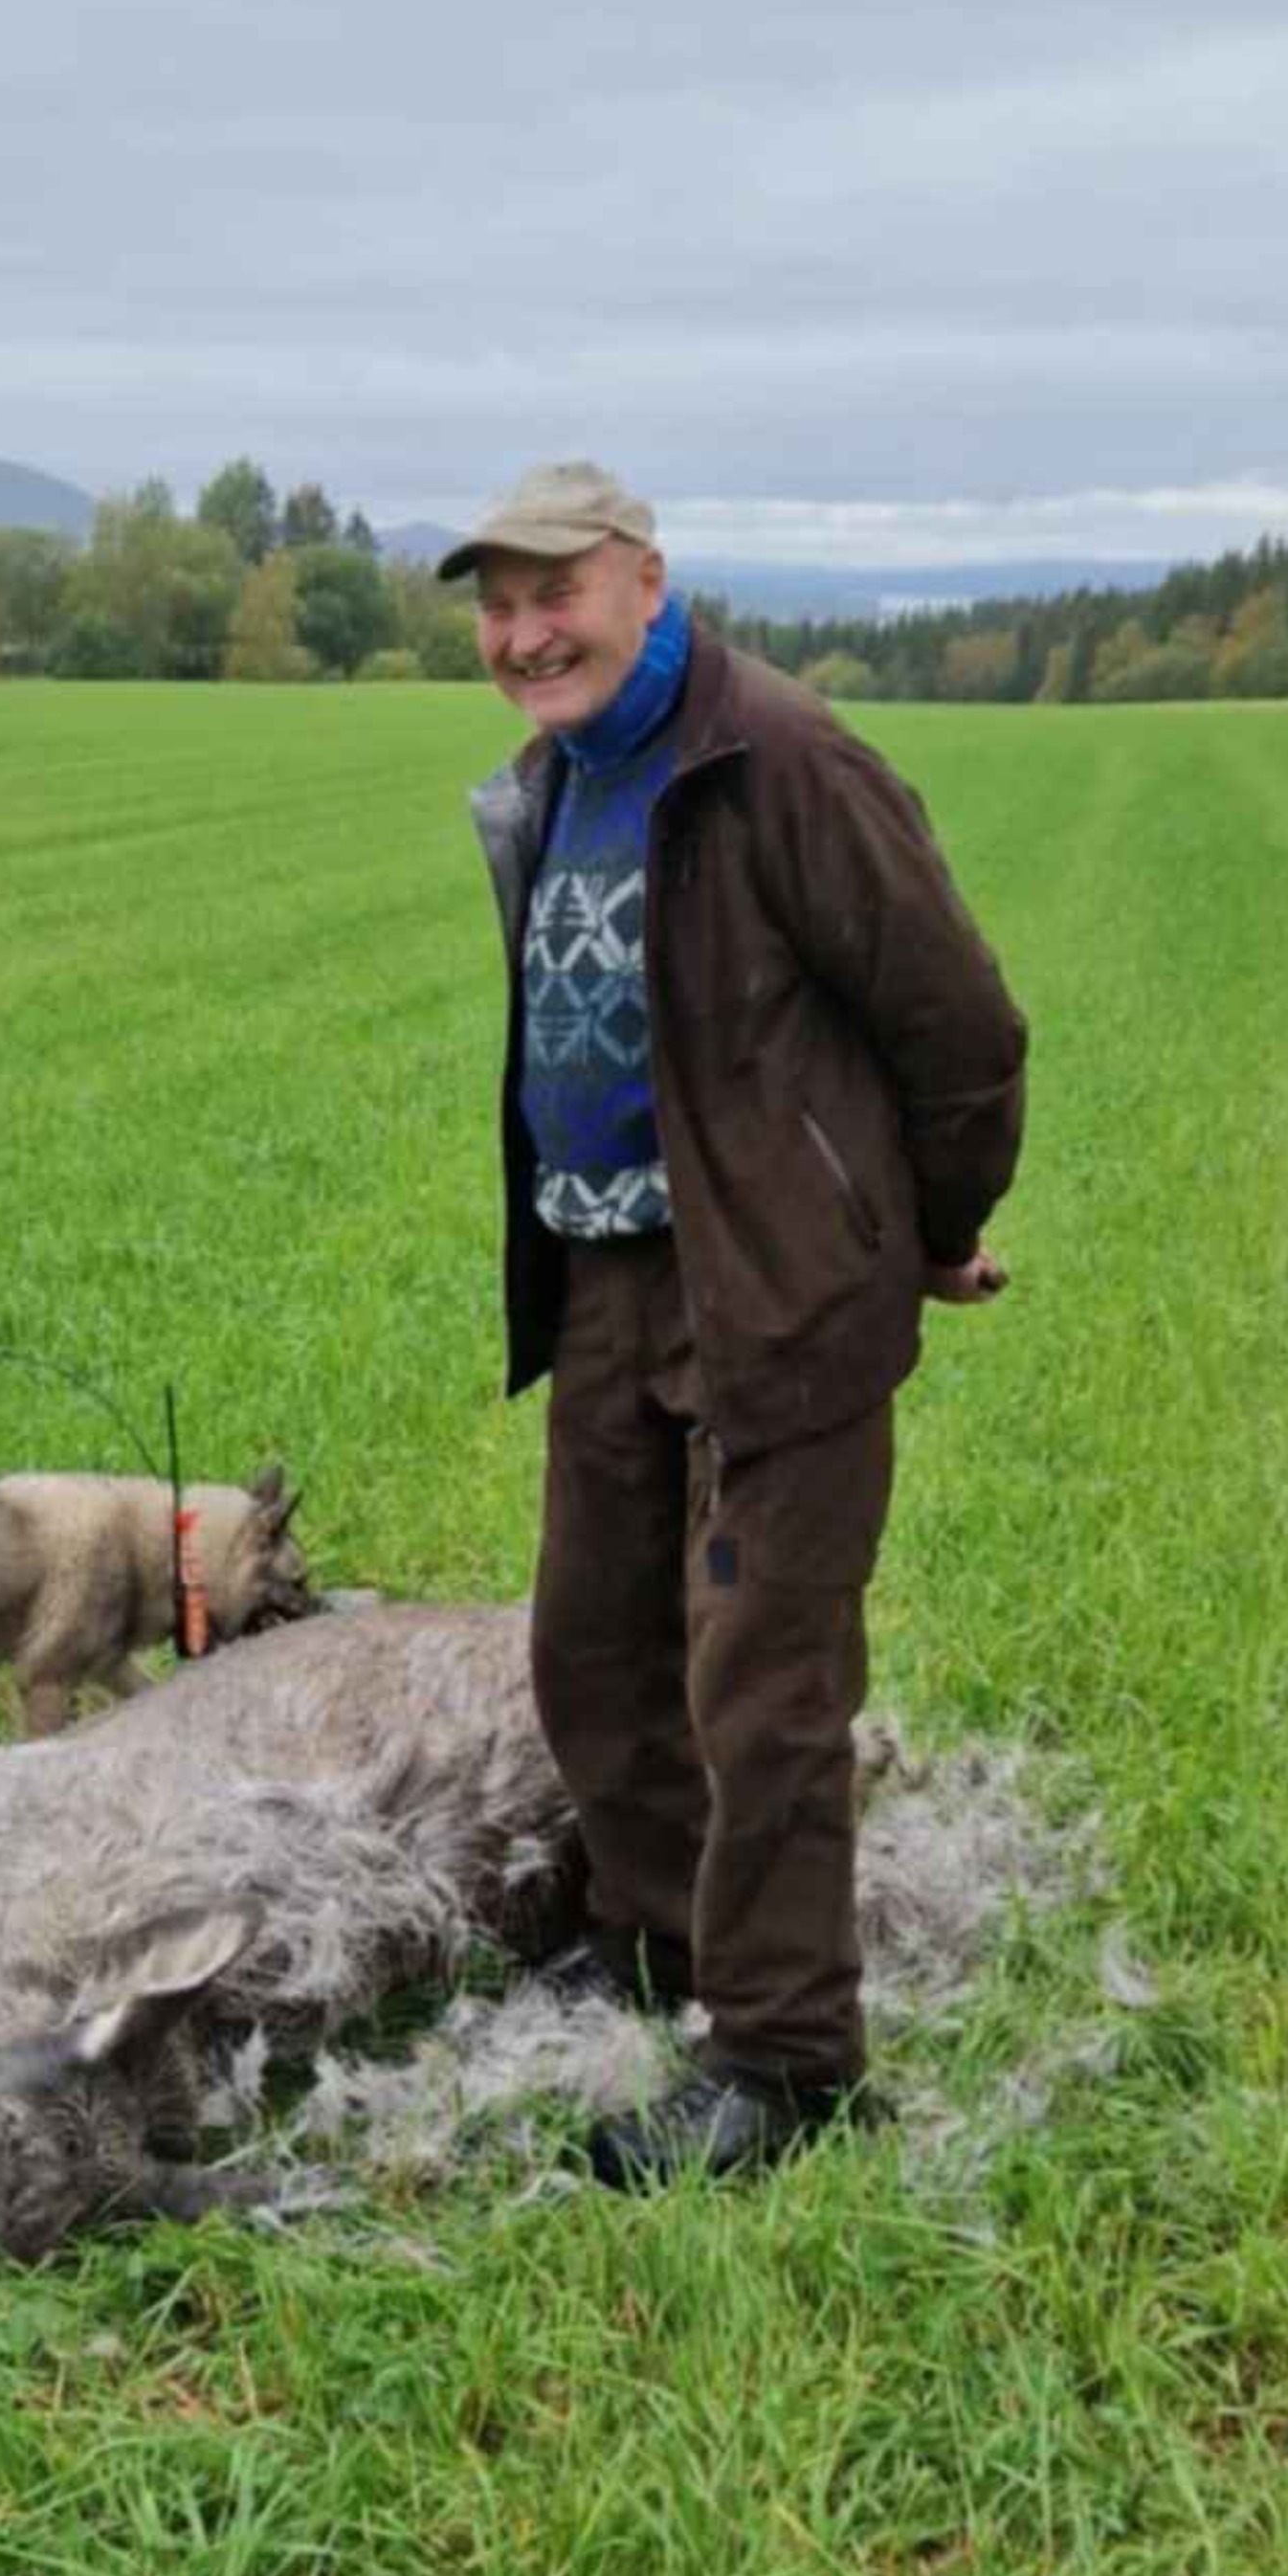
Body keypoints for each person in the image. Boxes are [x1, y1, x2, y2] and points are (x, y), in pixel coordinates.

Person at [443, 460, 1029, 2186]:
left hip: (781, 1287)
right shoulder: (561, 773)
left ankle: (784, 2060)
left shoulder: (781, 760)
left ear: (645, 579)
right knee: (593, 1646)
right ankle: (658, 1934)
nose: (523, 631)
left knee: (763, 1681)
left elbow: (965, 1027)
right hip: (611, 1265)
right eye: (497, 603)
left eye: (557, 591)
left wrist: (925, 1229)